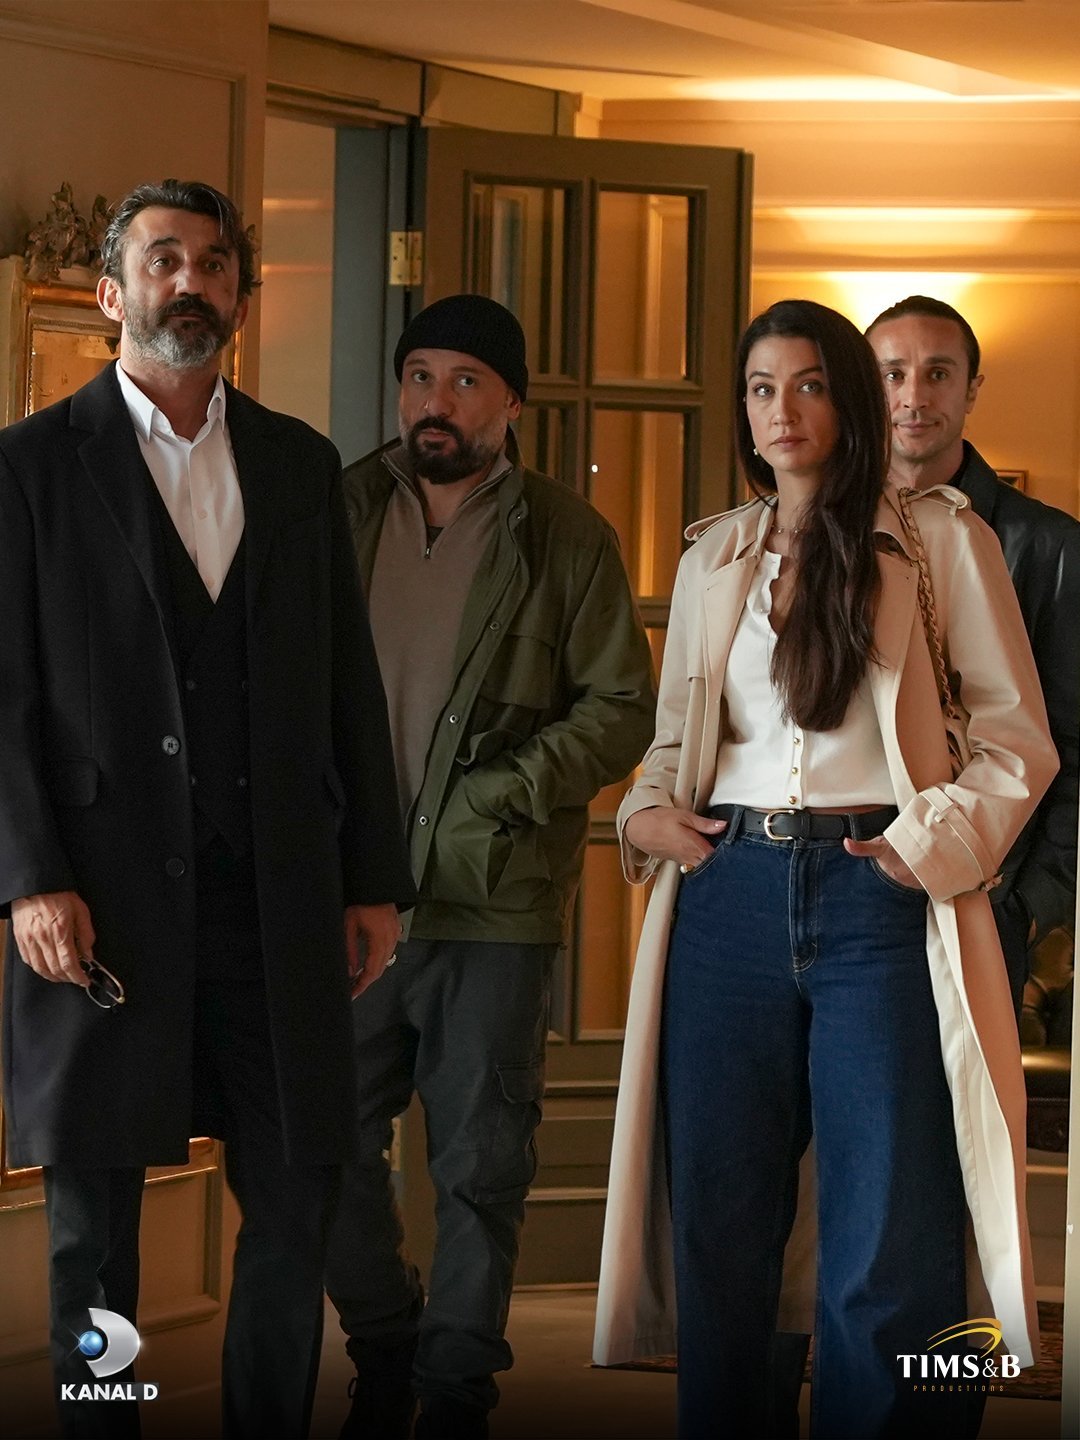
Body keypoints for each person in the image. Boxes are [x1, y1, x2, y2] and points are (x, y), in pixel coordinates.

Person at [591, 299, 1057, 1437]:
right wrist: (645, 816)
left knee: (883, 1236)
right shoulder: (712, 556)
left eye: (807, 385)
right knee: (721, 1230)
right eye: (761, 388)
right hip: (727, 899)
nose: (781, 410)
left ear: (849, 399)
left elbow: (1016, 742)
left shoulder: (942, 542)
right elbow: (675, 743)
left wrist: (921, 850)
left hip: (877, 902)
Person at [0, 179, 415, 1440]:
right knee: (94, 1233)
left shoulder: (299, 464)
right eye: (164, 259)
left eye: (216, 263)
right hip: (98, 904)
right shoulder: (28, 467)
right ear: (111, 294)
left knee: (294, 1205)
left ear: (239, 294)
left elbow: (346, 682)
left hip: (275, 898)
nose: (193, 281)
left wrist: (371, 879)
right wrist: (27, 878)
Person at [324, 294, 655, 1440]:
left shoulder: (566, 537)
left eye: (466, 381)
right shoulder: (335, 509)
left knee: (479, 1168)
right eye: (420, 376)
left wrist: (494, 798)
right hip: (344, 899)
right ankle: (386, 1344)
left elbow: (622, 709)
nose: (437, 402)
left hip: (493, 905)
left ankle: (456, 1395)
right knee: (316, 1148)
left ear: (511, 401)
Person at [866, 295, 1079, 1014]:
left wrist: (1030, 906)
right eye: (892, 374)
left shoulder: (1051, 547)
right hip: (844, 882)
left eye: (938, 373)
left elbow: (1072, 742)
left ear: (971, 389)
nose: (913, 396)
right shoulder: (819, 532)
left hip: (986, 893)